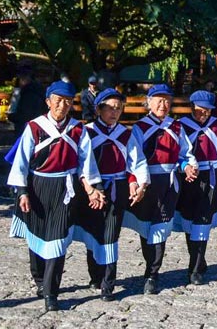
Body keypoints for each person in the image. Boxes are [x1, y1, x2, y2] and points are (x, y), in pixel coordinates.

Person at [7, 80, 104, 312]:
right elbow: (20, 162)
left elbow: (86, 163)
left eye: (68, 101)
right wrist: (21, 192)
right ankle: (39, 279)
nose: (63, 105)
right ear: (48, 102)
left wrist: (92, 188)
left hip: (65, 189)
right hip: (37, 188)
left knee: (58, 241)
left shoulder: (78, 130)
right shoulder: (34, 128)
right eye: (58, 100)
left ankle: (52, 293)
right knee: (37, 235)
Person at [73, 88, 149, 301]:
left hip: (117, 189)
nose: (115, 112)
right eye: (110, 108)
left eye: (119, 108)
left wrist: (140, 183)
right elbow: (80, 164)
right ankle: (95, 275)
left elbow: (137, 161)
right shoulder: (86, 132)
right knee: (92, 232)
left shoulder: (125, 134)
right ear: (98, 109)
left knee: (111, 235)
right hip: (91, 190)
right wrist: (89, 189)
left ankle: (108, 283)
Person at [123, 83, 195, 295]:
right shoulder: (140, 128)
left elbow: (185, 153)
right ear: (149, 102)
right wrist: (136, 181)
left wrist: (187, 165)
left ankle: (152, 273)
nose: (163, 104)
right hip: (148, 183)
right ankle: (149, 265)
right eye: (158, 100)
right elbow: (133, 159)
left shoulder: (176, 127)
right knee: (147, 227)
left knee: (161, 227)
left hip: (169, 183)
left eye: (166, 100)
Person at [175, 90, 217, 286]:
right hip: (189, 177)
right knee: (189, 220)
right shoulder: (180, 126)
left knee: (203, 220)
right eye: (199, 111)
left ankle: (194, 268)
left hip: (211, 176)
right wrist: (185, 166)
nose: (203, 114)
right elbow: (177, 152)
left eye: (207, 111)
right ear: (192, 108)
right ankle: (198, 259)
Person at [7, 70, 47, 138]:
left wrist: (10, 116)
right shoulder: (41, 90)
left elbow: (13, 111)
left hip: (23, 123)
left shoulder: (21, 92)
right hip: (39, 122)